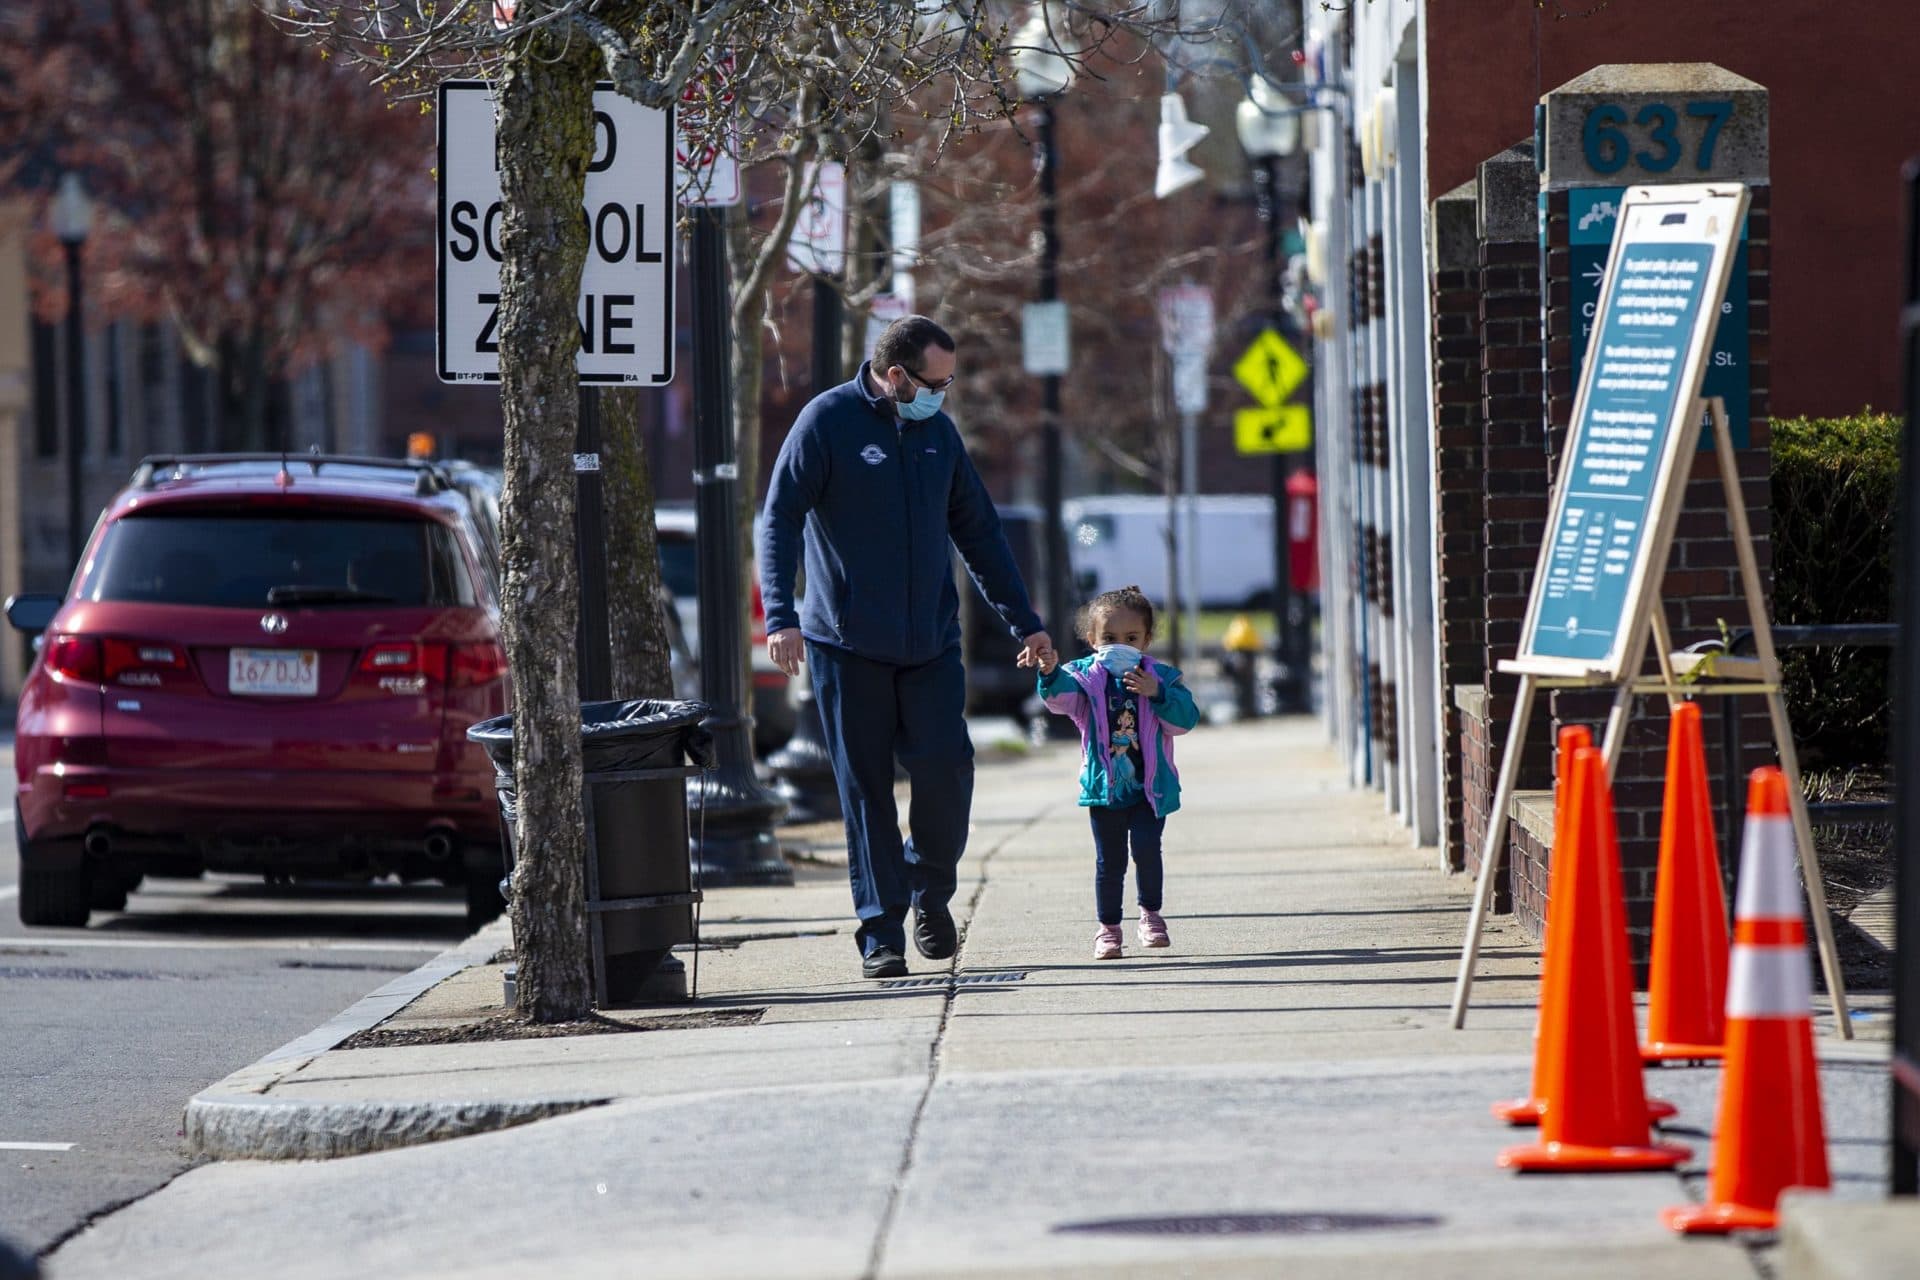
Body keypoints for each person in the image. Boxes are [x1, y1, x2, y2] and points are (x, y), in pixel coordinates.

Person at [760, 315, 1054, 979]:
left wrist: (1025, 623)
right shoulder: (825, 422)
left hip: (929, 643)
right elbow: (779, 517)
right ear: (896, 375)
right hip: (846, 644)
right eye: (935, 383)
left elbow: (979, 533)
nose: (942, 395)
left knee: (948, 767)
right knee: (865, 791)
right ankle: (879, 931)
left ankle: (930, 890)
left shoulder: (936, 434)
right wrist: (782, 614)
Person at [1036, 585, 1199, 960]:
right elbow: (1060, 701)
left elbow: (1185, 720)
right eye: (1109, 637)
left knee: (1147, 850)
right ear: (1092, 639)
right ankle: (1108, 929)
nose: (1119, 645)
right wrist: (1048, 672)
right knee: (1109, 862)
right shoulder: (1084, 680)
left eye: (1130, 638)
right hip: (1105, 789)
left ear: (1146, 640)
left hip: (1149, 790)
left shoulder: (1162, 678)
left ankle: (1151, 916)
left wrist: (1157, 694)